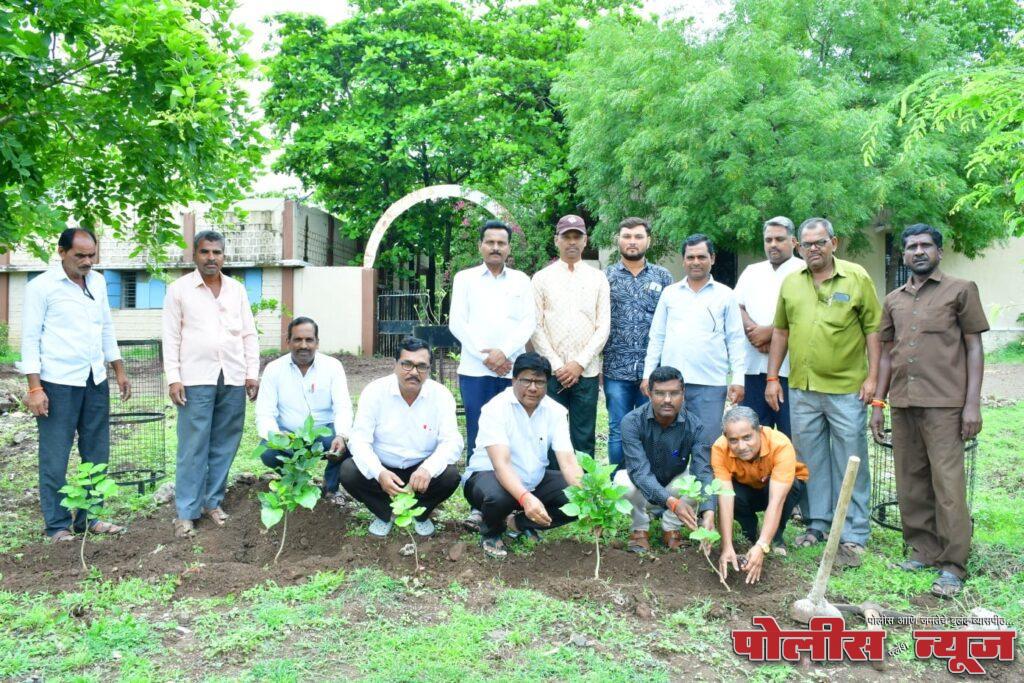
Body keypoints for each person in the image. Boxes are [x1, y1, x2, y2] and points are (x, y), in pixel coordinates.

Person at [871, 224, 988, 598]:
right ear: (902, 255)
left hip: (946, 405)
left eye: (925, 245)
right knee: (910, 480)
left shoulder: (961, 290)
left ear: (938, 251)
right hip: (903, 403)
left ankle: (953, 564)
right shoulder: (894, 299)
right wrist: (879, 401)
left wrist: (972, 404)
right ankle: (922, 550)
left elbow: (973, 348)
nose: (918, 251)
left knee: (948, 485)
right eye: (911, 247)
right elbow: (888, 355)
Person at [766, 217, 880, 567]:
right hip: (803, 388)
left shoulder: (857, 277)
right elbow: (781, 333)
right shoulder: (791, 282)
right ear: (798, 247)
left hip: (847, 388)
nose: (813, 249)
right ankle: (818, 522)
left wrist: (873, 379)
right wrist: (773, 378)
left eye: (820, 242)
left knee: (851, 459)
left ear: (834, 243)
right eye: (807, 244)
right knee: (809, 459)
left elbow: (874, 331)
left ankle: (855, 532)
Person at [20, 228, 130, 541]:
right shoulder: (41, 287)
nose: (87, 262)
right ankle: (57, 525)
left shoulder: (97, 282)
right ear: (61, 252)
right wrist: (35, 388)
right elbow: (29, 340)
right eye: (80, 255)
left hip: (95, 379)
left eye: (91, 255)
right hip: (57, 383)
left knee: (97, 454)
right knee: (55, 457)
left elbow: (106, 327)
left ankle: (90, 517)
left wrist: (118, 370)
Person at [163, 230, 260, 538]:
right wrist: (174, 377)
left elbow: (248, 334)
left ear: (223, 256)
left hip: (232, 376)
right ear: (195, 255)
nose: (211, 258)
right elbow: (171, 336)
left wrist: (252, 372)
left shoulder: (237, 290)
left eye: (216, 252)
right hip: (195, 378)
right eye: (205, 252)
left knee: (225, 443)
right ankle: (186, 512)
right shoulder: (179, 290)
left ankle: (212, 502)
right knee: (193, 446)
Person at [449, 219, 534, 530]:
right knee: (478, 434)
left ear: (509, 248)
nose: (496, 247)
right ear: (480, 246)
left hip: (511, 371)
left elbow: (527, 323)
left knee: (513, 435)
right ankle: (477, 504)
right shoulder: (465, 279)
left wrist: (505, 354)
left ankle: (511, 501)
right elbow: (458, 323)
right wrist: (486, 357)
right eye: (490, 242)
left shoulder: (522, 281)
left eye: (501, 243)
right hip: (475, 371)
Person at [464, 352, 583, 558]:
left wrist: (589, 501)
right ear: (513, 380)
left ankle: (518, 523)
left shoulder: (556, 412)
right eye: (526, 380)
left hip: (532, 478)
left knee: (575, 497)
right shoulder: (496, 409)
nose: (533, 387)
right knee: (497, 497)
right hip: (489, 476)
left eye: (540, 382)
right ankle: (492, 531)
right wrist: (525, 497)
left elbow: (569, 462)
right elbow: (501, 464)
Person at [340, 337, 462, 537]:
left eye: (421, 366)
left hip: (420, 470)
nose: (414, 372)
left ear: (429, 369)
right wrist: (379, 472)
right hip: (384, 465)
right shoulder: (374, 392)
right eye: (407, 364)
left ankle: (419, 514)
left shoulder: (441, 395)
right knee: (348, 472)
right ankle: (385, 513)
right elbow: (359, 439)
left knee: (450, 476)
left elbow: (452, 441)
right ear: (395, 365)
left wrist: (427, 469)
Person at [643, 233, 746, 442]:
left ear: (713, 259)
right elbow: (657, 337)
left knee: (706, 444)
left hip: (711, 384)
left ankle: (705, 477)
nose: (696, 262)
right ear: (683, 260)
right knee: (669, 443)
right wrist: (648, 375)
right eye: (690, 257)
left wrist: (738, 379)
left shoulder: (726, 295)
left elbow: (736, 340)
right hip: (670, 385)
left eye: (701, 257)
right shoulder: (670, 293)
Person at [531, 214, 610, 458]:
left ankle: (584, 490)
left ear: (586, 241)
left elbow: (603, 326)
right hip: (552, 372)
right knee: (552, 434)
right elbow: (535, 326)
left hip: (585, 372)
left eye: (577, 237)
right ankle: (555, 492)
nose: (572, 242)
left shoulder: (598, 278)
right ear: (557, 240)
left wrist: (578, 364)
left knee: (584, 436)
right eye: (567, 237)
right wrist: (558, 366)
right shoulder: (542, 278)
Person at [615, 366, 716, 553]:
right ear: (649, 393)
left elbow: (703, 470)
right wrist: (672, 502)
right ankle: (639, 529)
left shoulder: (695, 426)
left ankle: (671, 527)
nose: (667, 400)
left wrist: (708, 512)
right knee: (622, 482)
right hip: (641, 487)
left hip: (673, 482)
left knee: (701, 483)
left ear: (683, 394)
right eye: (660, 393)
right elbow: (639, 472)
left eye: (674, 393)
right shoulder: (632, 421)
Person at [255, 316, 353, 498]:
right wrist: (277, 435)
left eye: (309, 340)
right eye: (297, 340)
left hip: (324, 435)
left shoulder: (333, 367)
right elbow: (264, 412)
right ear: (288, 342)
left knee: (349, 445)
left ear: (317, 343)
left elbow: (343, 407)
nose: (303, 345)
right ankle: (295, 482)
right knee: (268, 452)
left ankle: (330, 488)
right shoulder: (274, 369)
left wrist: (341, 435)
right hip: (288, 436)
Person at [603, 217, 673, 470]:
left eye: (638, 236)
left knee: (652, 430)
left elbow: (670, 323)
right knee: (618, 430)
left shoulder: (663, 277)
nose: (632, 241)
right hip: (616, 369)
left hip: (652, 371)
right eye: (627, 236)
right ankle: (618, 489)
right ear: (618, 240)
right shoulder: (606, 277)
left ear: (648, 241)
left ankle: (649, 491)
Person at [714, 407, 808, 585]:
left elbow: (776, 501)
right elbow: (725, 498)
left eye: (747, 437)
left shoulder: (780, 444)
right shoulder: (719, 448)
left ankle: (775, 536)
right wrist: (726, 546)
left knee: (793, 486)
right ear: (726, 438)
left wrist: (762, 545)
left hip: (774, 490)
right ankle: (748, 535)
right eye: (733, 440)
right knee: (732, 493)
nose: (741, 446)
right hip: (746, 489)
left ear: (759, 431)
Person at [734, 217, 805, 436]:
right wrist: (754, 332)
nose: (773, 244)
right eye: (768, 239)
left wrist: (771, 334)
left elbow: (804, 314)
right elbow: (737, 306)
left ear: (793, 241)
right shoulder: (752, 271)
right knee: (753, 434)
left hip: (790, 372)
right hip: (752, 368)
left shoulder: (804, 270)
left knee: (790, 436)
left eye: (779, 239)